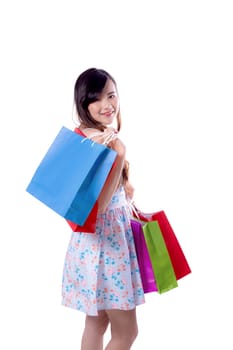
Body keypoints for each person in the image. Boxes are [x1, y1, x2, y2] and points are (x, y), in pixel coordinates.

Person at [61, 68, 145, 350]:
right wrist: (119, 155)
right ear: (83, 104)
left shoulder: (93, 135)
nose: (107, 105)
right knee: (127, 332)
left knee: (96, 324)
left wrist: (126, 186)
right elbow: (100, 205)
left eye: (111, 95)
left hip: (92, 246)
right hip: (106, 247)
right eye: (96, 99)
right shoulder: (98, 143)